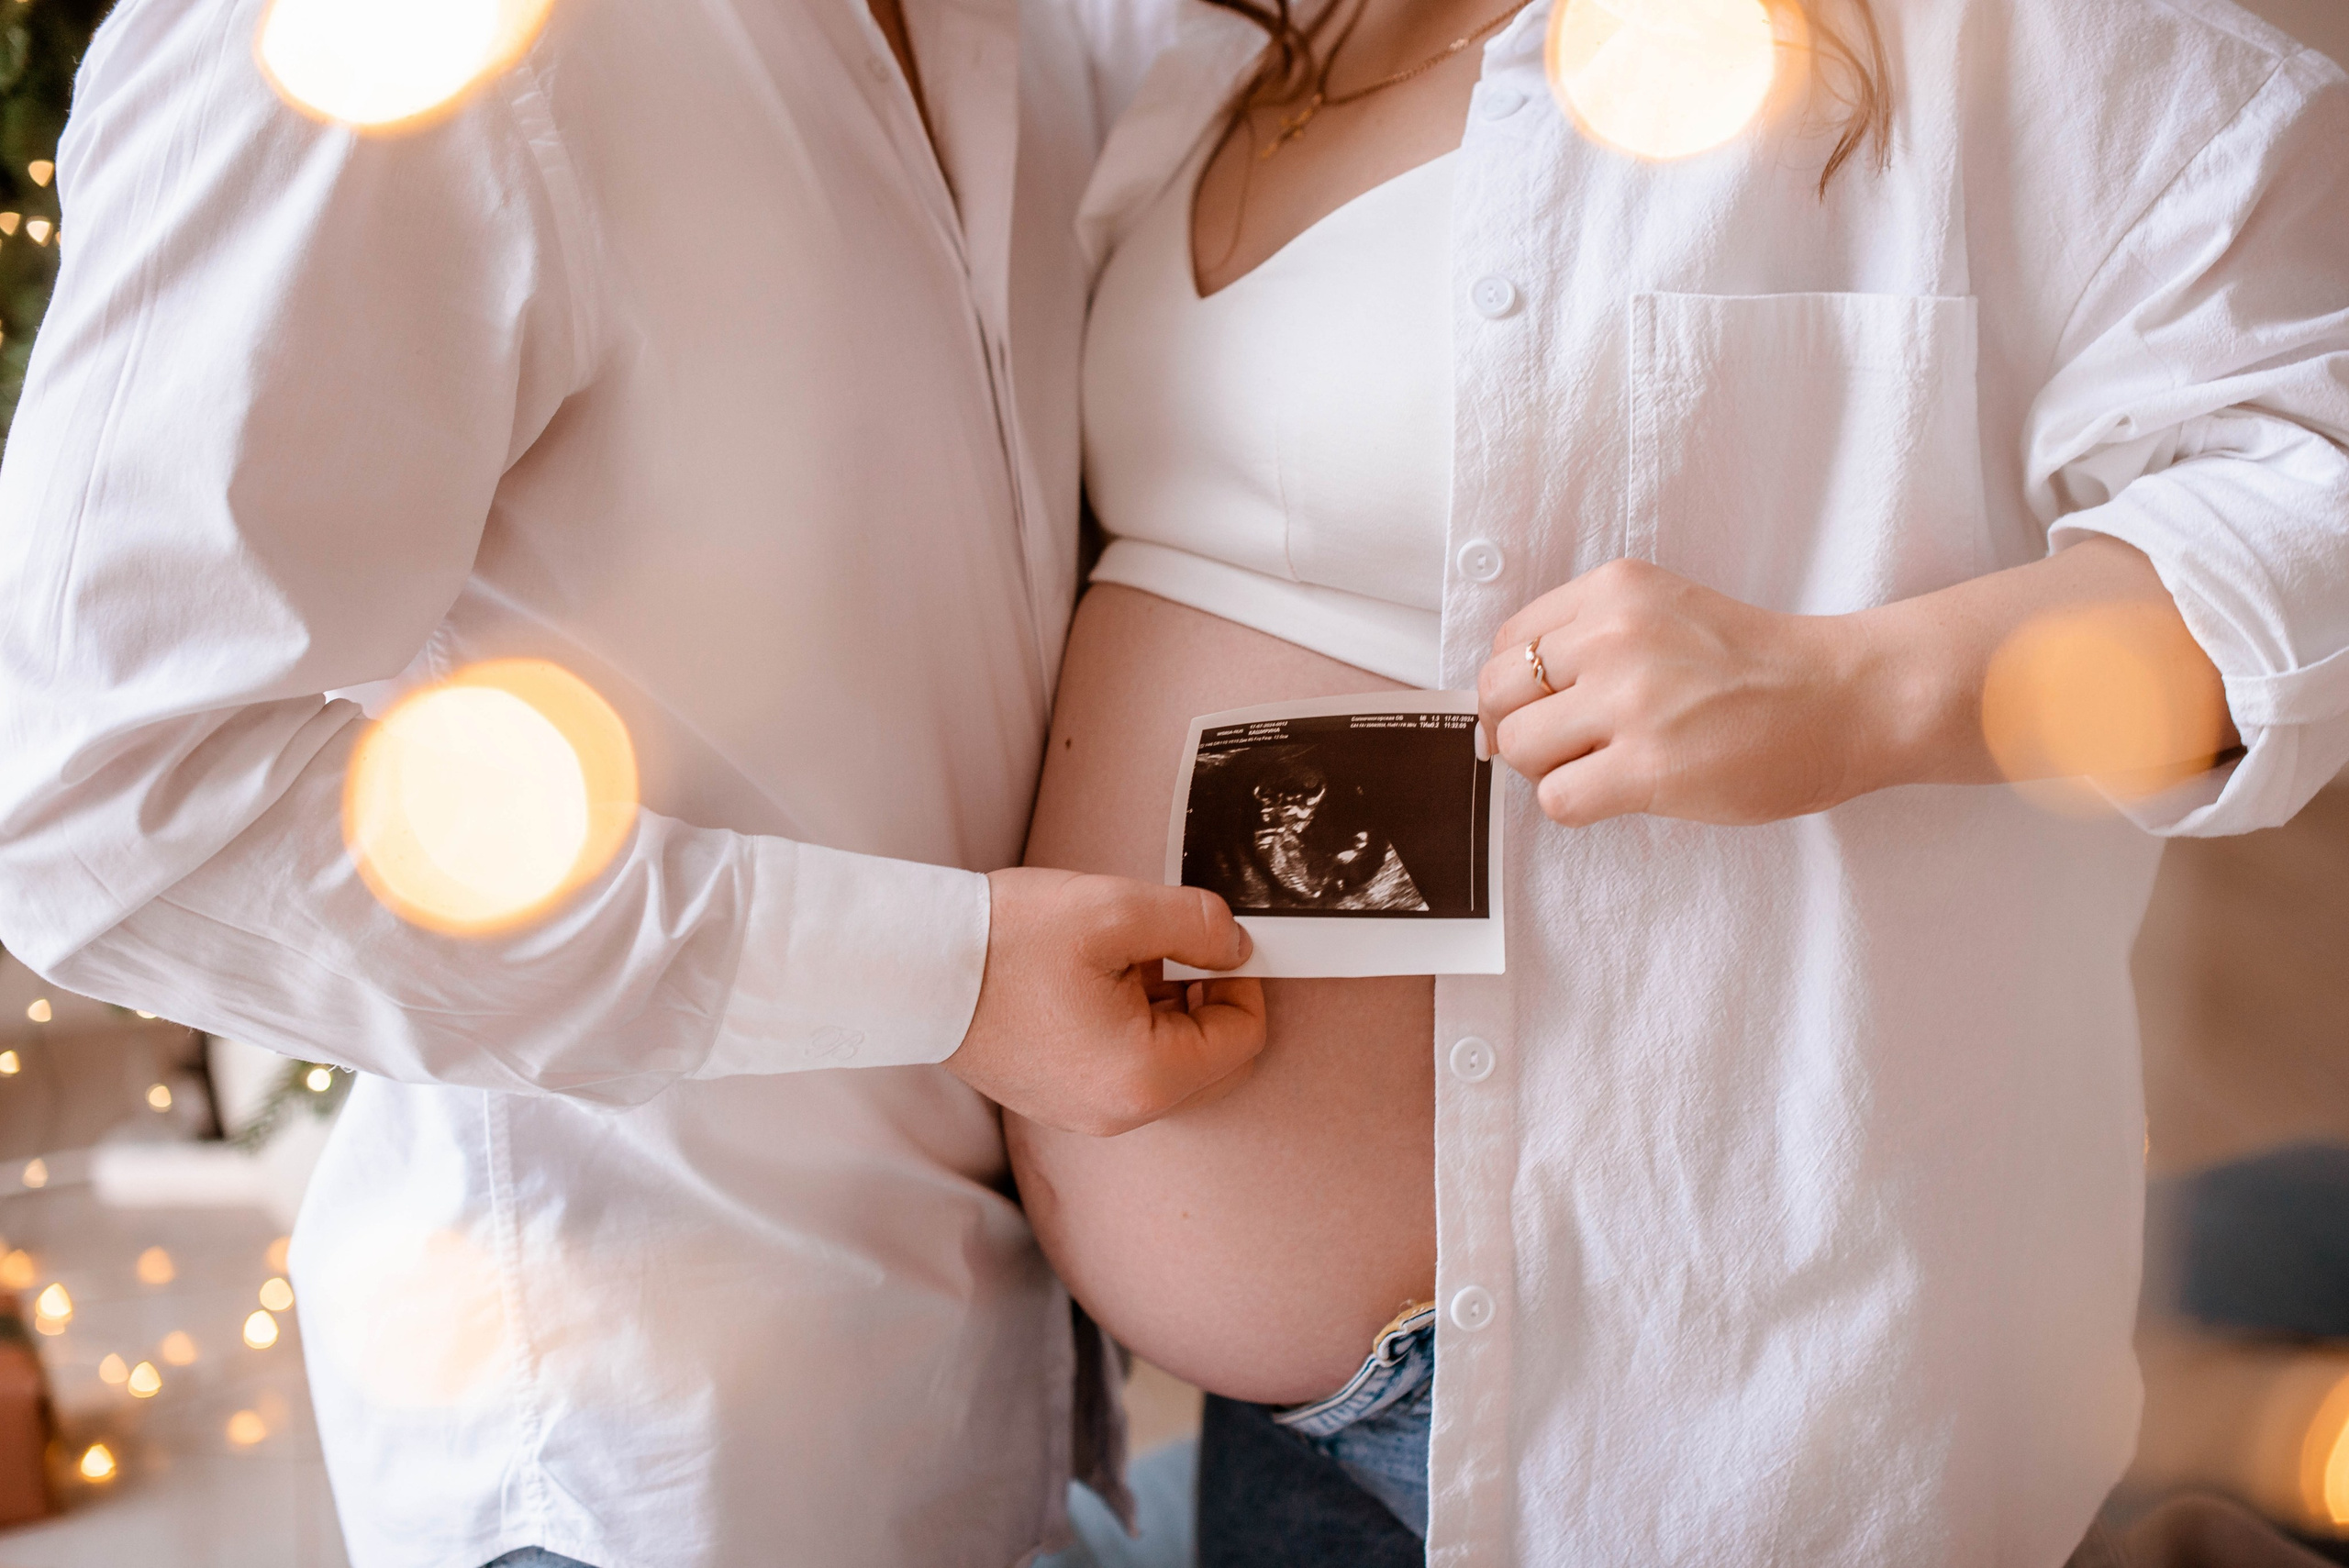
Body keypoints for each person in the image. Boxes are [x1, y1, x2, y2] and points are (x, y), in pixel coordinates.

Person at [1005, 0, 2349, 1560]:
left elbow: (2315, 492)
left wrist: (1858, 687)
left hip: (1691, 1405)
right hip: (1276, 1424)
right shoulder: (1219, 55)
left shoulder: (1997, 42)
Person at [0, 0, 1264, 1563]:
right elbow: (103, 813)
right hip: (641, 1476)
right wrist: (949, 974)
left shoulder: (1016, 34)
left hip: (993, 1447)